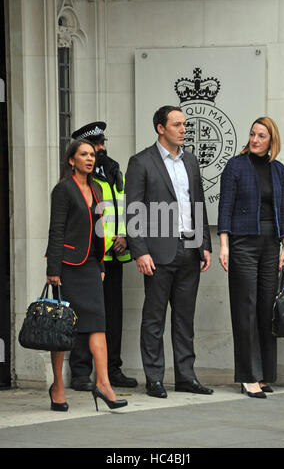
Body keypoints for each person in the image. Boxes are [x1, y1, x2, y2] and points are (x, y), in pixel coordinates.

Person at [125, 105, 213, 398]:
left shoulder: (190, 161)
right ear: (161, 128)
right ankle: (154, 378)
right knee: (154, 318)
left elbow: (197, 203)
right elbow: (134, 209)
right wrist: (139, 251)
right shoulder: (141, 162)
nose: (184, 129)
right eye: (177, 124)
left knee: (184, 318)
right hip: (158, 252)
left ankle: (186, 377)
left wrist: (204, 244)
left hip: (189, 249)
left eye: (184, 124)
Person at [46, 139, 127, 411]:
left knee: (97, 325)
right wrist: (53, 271)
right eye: (83, 154)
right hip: (67, 266)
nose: (90, 159)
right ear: (72, 160)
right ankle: (57, 385)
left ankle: (103, 384)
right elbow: (56, 231)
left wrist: (101, 265)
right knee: (63, 328)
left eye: (92, 154)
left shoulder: (97, 189)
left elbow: (99, 231)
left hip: (92, 265)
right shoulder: (63, 190)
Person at [218, 116, 284, 399]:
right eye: (252, 134)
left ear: (272, 140)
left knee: (265, 308)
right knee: (245, 308)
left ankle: (263, 375)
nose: (255, 140)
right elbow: (225, 206)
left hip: (271, 244)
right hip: (243, 244)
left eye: (261, 136)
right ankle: (248, 376)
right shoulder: (235, 165)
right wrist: (224, 244)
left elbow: (283, 210)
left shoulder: (278, 169)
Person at [70, 122, 137, 390]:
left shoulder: (112, 168)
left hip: (114, 255)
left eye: (101, 143)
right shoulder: (79, 175)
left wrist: (124, 236)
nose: (101, 148)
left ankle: (112, 369)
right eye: (96, 144)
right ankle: (80, 373)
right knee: (85, 315)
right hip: (89, 257)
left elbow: (123, 204)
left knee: (112, 316)